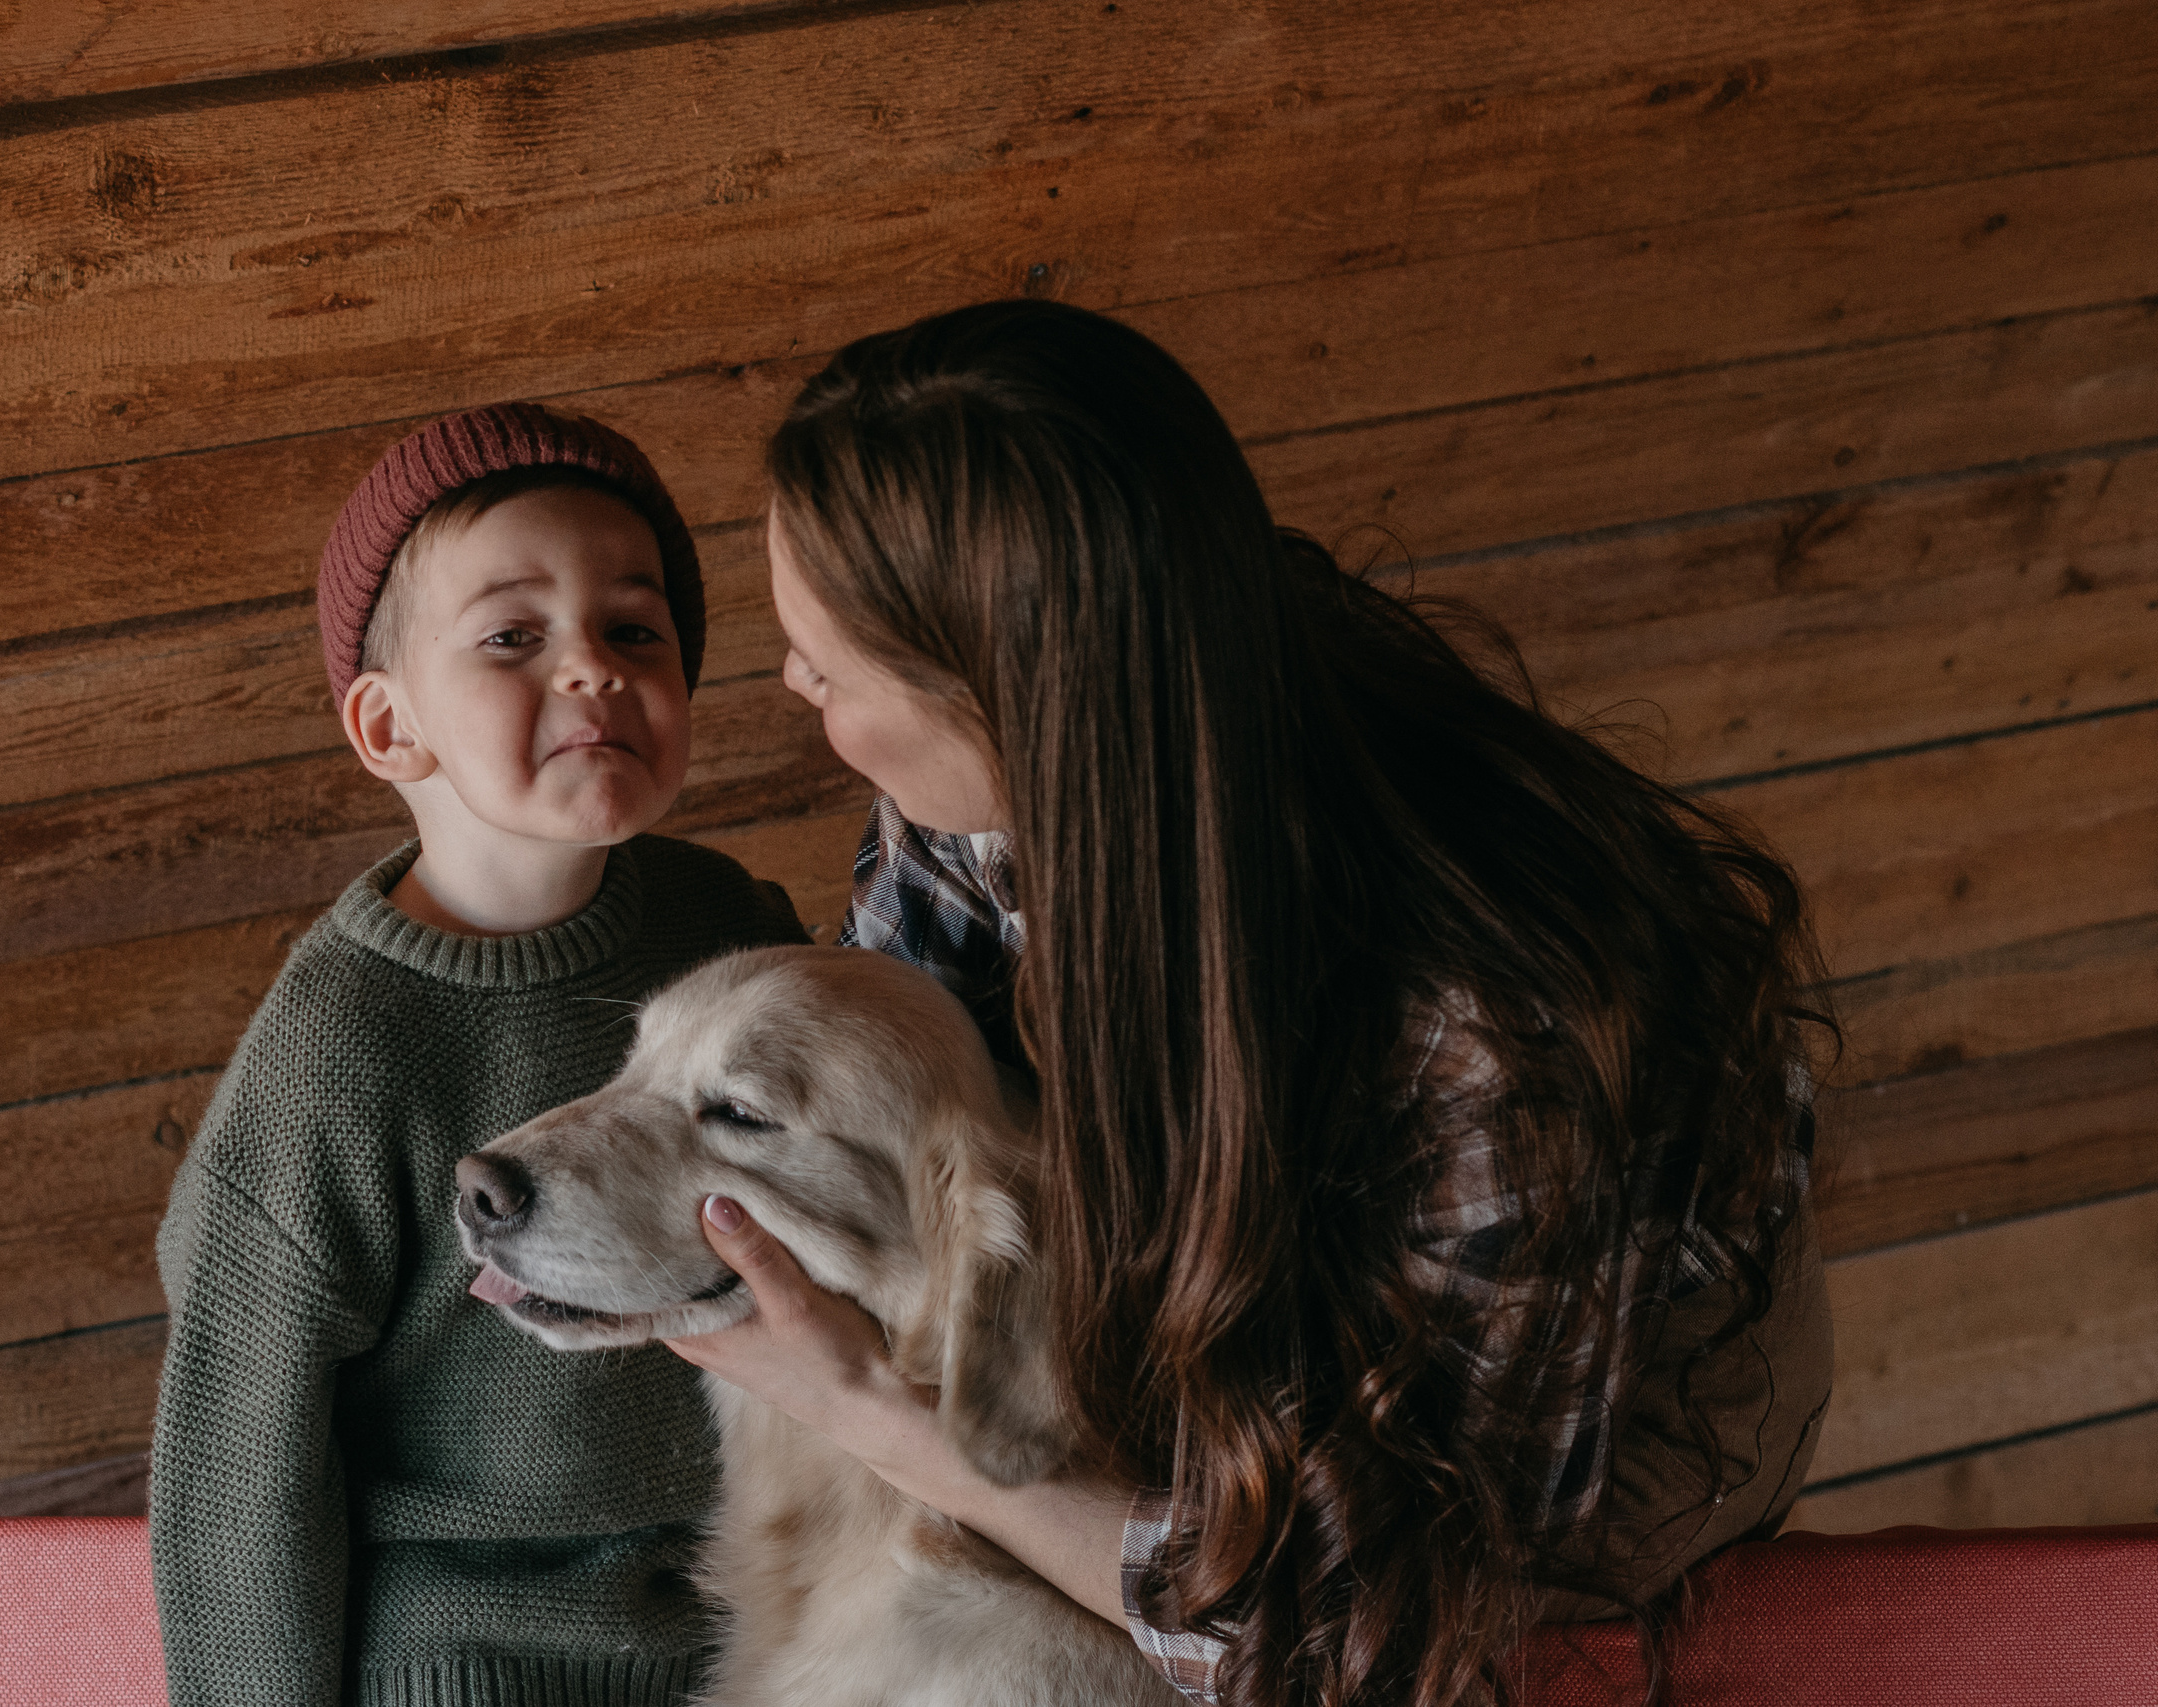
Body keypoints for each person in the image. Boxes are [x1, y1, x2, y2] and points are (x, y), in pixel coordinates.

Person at [664, 301, 1834, 1707]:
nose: (795, 683)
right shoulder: (1038, 752)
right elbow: (907, 1108)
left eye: (831, 672)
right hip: (1215, 1299)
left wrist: (892, 1423)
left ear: (1007, 697)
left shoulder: (1498, 1041)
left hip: (1566, 1462)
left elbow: (1347, 1642)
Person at [149, 403, 807, 1707]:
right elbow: (240, 1473)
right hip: (471, 1648)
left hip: (752, 1593)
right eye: (514, 637)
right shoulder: (338, 1056)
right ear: (393, 729)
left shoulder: (726, 926)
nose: (593, 670)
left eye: (635, 630)